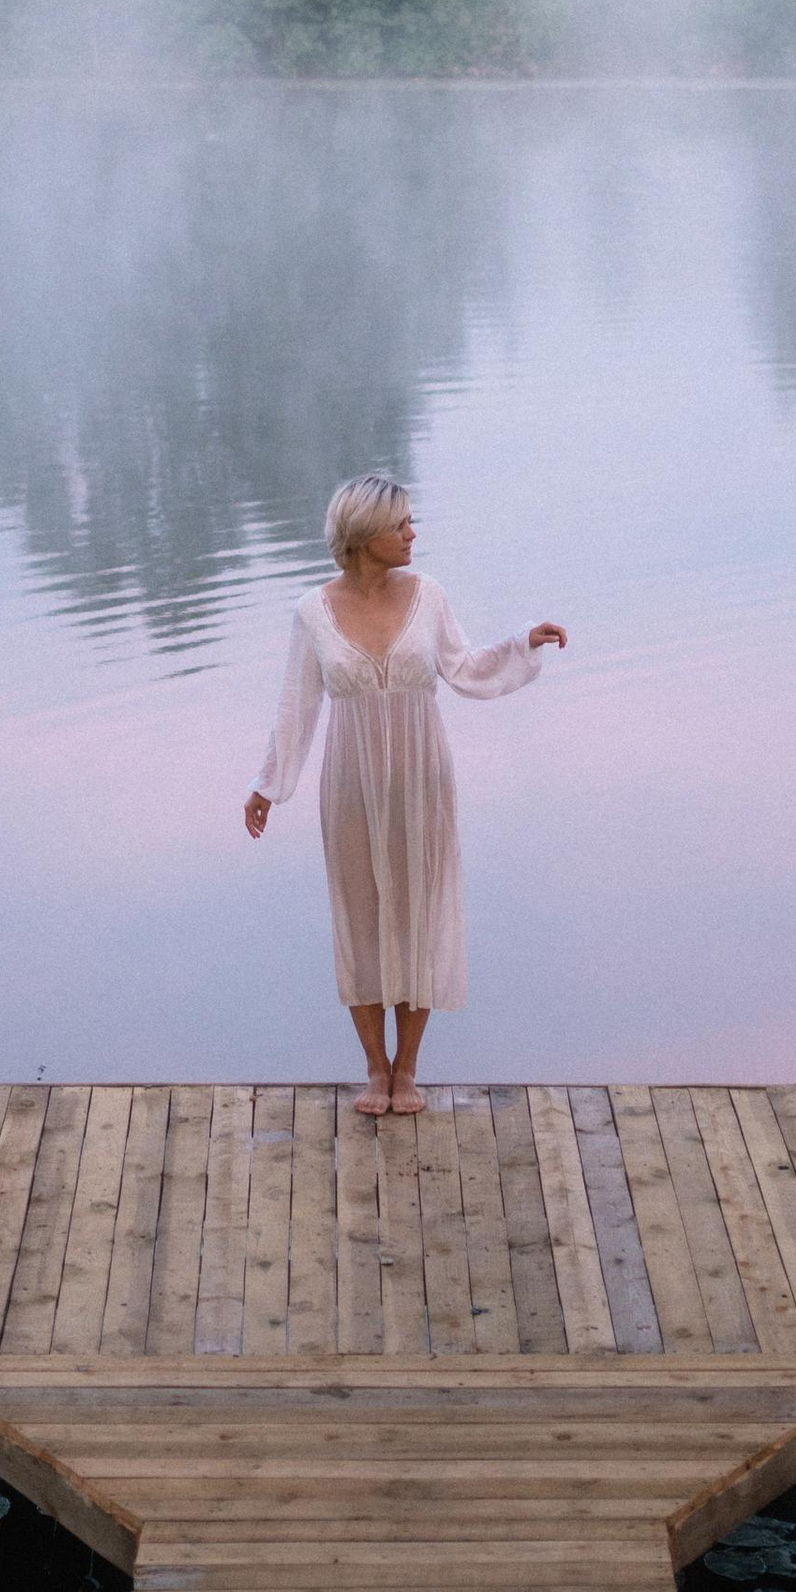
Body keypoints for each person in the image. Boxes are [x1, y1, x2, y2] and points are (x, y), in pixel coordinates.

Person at [244, 474, 565, 1117]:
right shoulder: (312, 612)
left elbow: (466, 668)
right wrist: (268, 786)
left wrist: (522, 643)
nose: (413, 535)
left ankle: (409, 1069)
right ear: (363, 536)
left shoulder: (429, 595)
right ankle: (375, 1067)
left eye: (411, 523)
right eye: (401, 526)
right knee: (360, 918)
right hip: (350, 787)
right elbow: (295, 708)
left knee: (419, 916)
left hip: (423, 779)